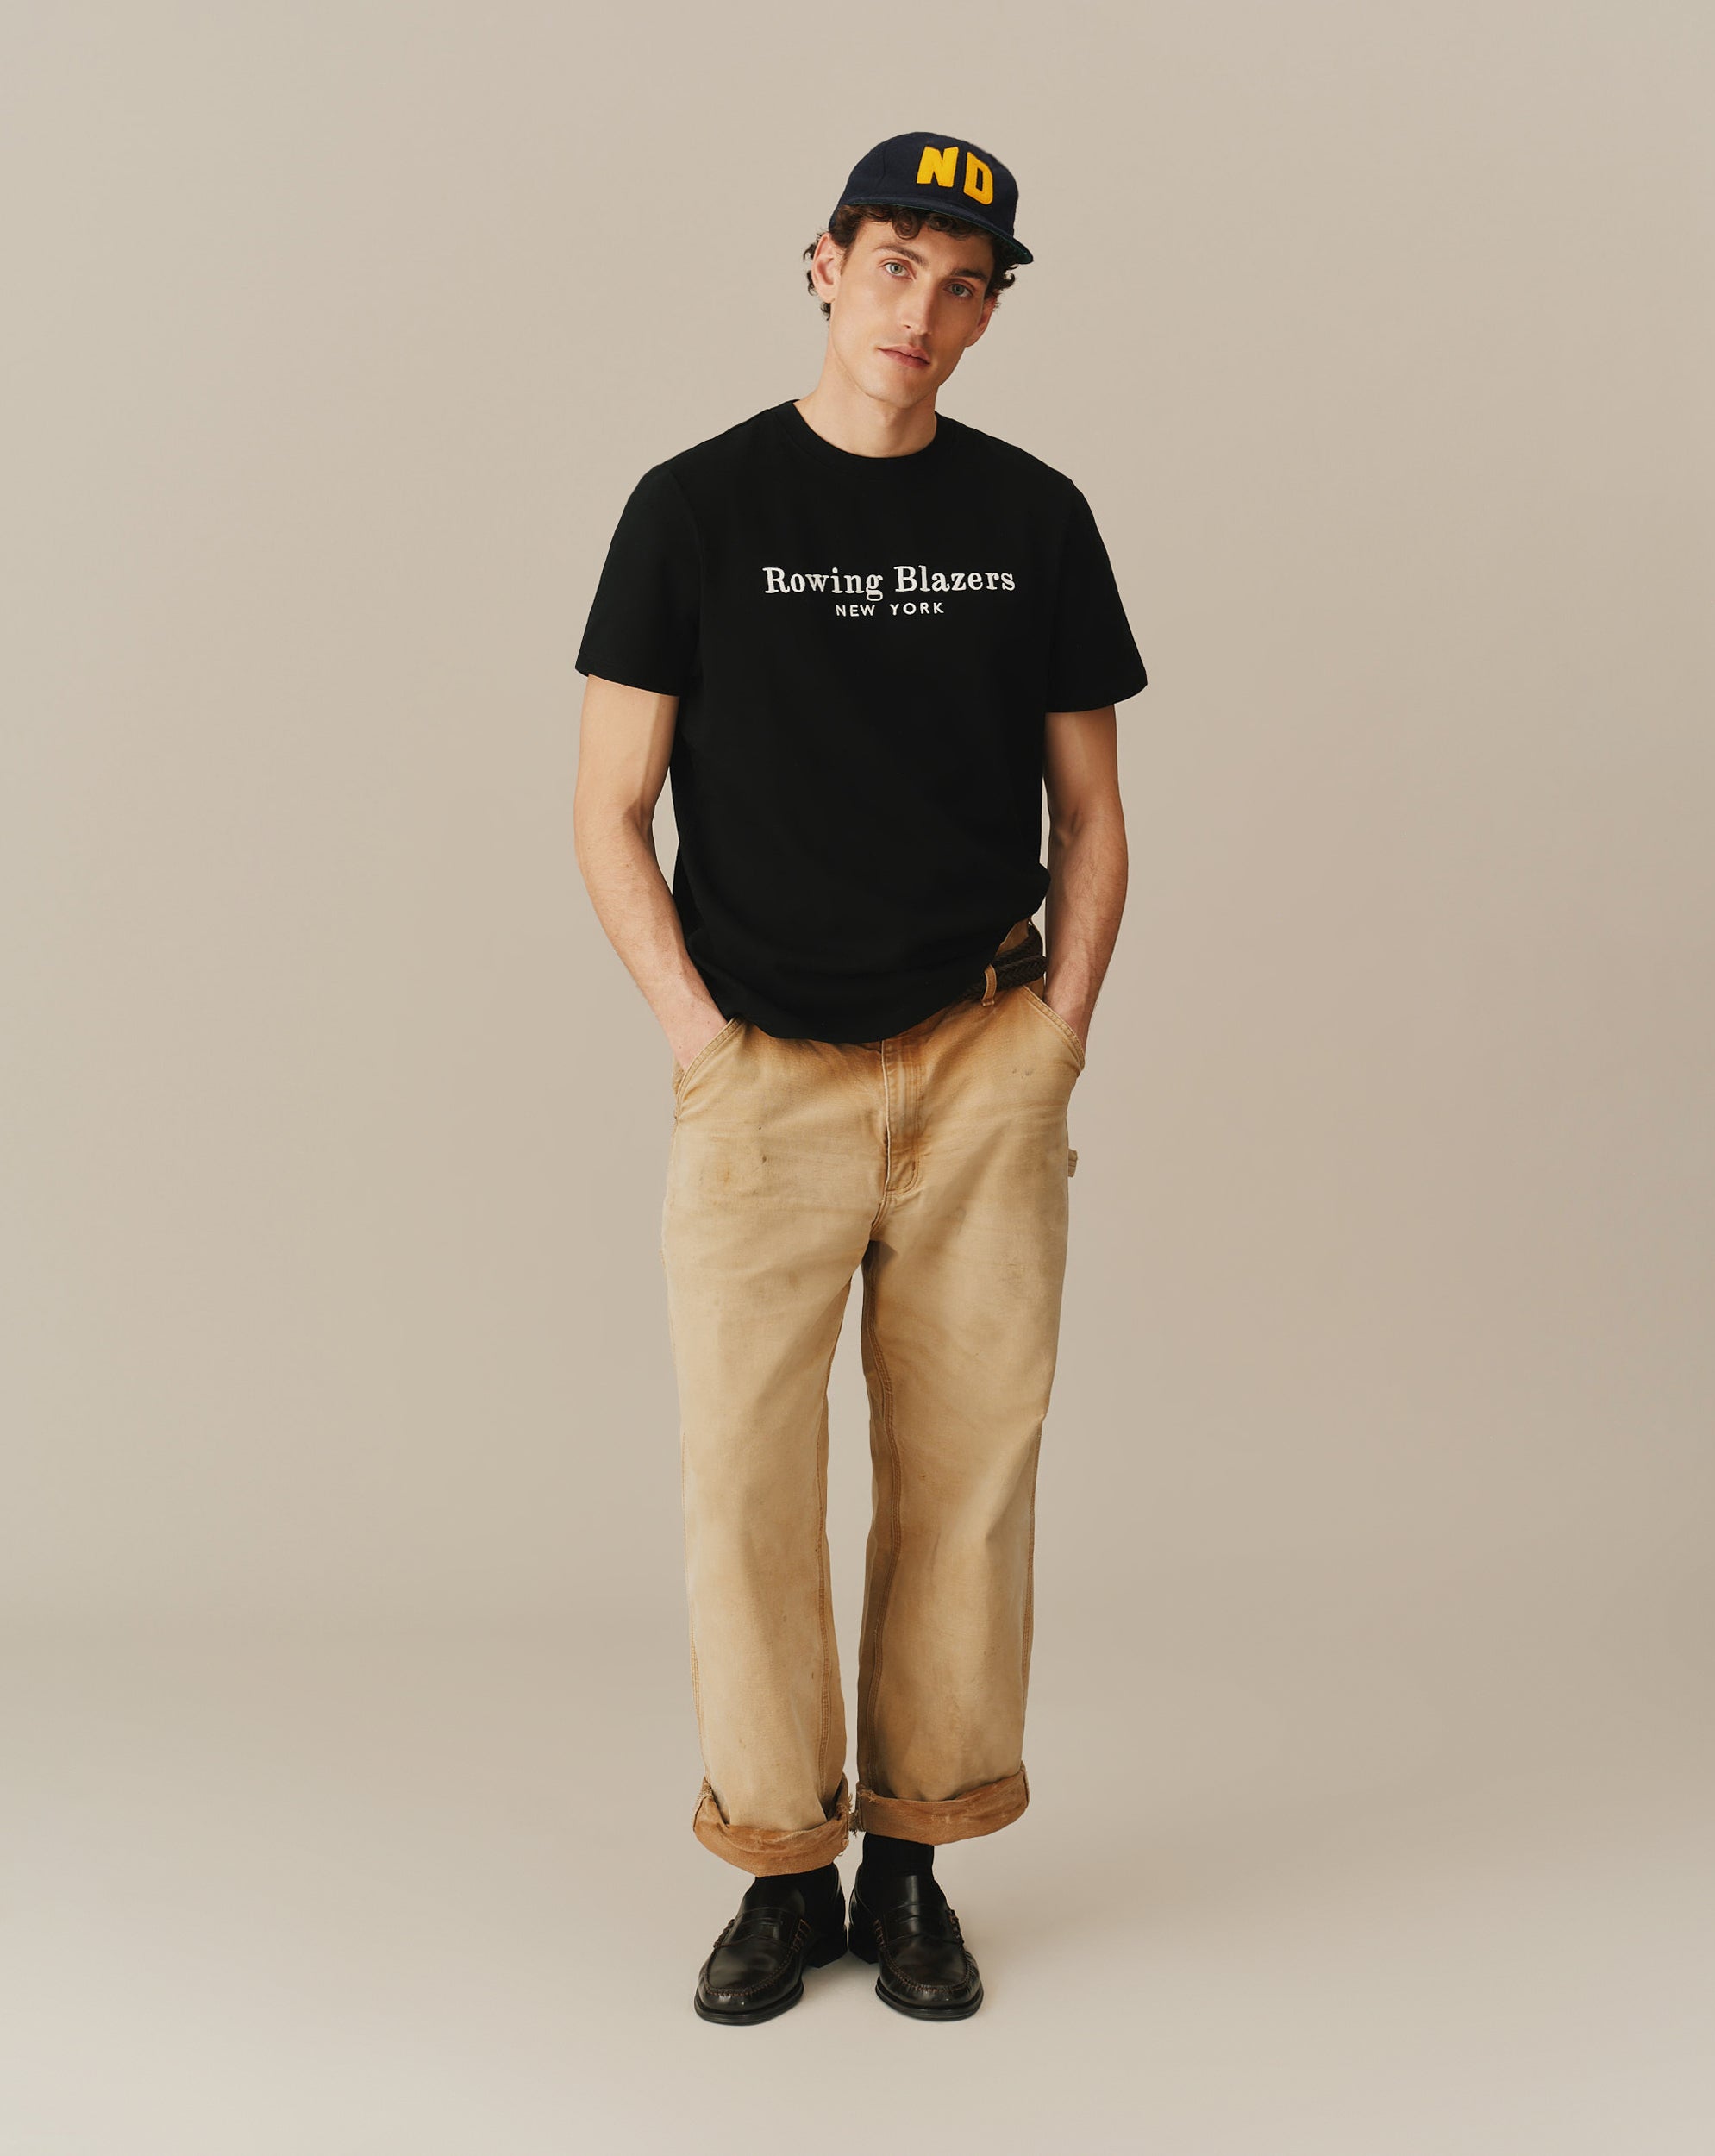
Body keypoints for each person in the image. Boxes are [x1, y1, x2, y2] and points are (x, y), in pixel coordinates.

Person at [572, 130, 1146, 2024]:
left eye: (963, 286)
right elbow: (607, 807)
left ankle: (911, 1862)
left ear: (987, 316)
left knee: (966, 1480)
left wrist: (1055, 1036)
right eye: (894, 265)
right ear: (823, 267)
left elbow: (1092, 811)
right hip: (763, 1074)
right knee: (744, 1489)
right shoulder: (692, 507)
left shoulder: (1036, 517)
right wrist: (699, 1041)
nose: (923, 310)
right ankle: (777, 1867)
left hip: (981, 1064)